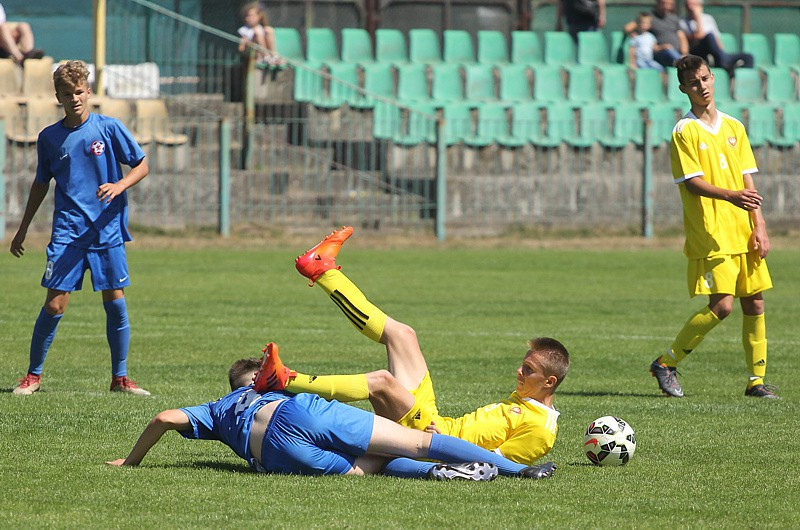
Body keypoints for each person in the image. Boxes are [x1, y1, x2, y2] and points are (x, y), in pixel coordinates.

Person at [252, 226, 570, 466]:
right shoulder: (528, 401)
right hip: (432, 420)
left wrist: (442, 445)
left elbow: (495, 465)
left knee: (382, 382)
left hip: (428, 439)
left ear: (549, 381)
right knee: (403, 335)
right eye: (523, 363)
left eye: (528, 370)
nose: (519, 370)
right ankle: (322, 269)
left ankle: (285, 380)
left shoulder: (540, 430)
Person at [106, 356, 557, 481]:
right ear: (260, 382)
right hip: (297, 413)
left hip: (272, 454)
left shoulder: (217, 409)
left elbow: (164, 418)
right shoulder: (272, 392)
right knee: (410, 440)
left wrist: (131, 463)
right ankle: (518, 471)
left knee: (366, 466)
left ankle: (444, 473)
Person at [10, 60, 150, 396]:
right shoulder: (49, 137)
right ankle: (33, 376)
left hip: (106, 230)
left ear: (87, 91)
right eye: (66, 93)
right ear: (57, 96)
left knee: (115, 301)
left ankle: (120, 379)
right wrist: (22, 228)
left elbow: (142, 164)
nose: (74, 98)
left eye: (79, 91)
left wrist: (119, 186)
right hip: (68, 232)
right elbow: (41, 184)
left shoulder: (109, 127)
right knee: (55, 304)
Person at [649, 55, 778, 399]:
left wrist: (759, 226)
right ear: (683, 89)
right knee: (722, 306)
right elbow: (692, 182)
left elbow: (748, 183)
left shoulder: (735, 126)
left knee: (755, 303)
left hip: (743, 228)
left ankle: (756, 381)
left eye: (705, 78)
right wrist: (732, 196)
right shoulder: (684, 131)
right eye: (694, 83)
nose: (701, 86)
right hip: (712, 231)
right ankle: (666, 362)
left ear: (713, 78)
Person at [680, 0, 753, 75]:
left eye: (693, 4)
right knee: (709, 36)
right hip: (699, 52)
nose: (690, 7)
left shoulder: (708, 18)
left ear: (700, 6)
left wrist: (721, 53)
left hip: (715, 53)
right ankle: (726, 64)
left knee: (748, 57)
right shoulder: (683, 22)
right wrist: (697, 18)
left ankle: (737, 76)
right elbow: (699, 35)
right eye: (688, 4)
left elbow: (717, 38)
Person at [625, 0, 688, 68]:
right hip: (660, 53)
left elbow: (681, 36)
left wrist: (684, 53)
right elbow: (628, 27)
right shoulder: (650, 17)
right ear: (658, 2)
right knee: (669, 51)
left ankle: (684, 62)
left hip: (675, 54)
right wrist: (633, 33)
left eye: (670, 4)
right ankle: (684, 64)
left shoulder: (674, 18)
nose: (666, 7)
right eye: (664, 3)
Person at [237, 1, 284, 68]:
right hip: (255, 53)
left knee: (269, 30)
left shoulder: (261, 28)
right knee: (257, 33)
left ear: (259, 16)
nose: (248, 19)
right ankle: (265, 56)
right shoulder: (244, 30)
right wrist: (246, 42)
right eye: (246, 16)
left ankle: (274, 56)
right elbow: (241, 49)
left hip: (266, 50)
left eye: (251, 16)